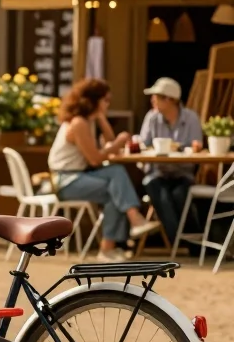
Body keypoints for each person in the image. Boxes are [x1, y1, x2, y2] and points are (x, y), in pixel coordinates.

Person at [49, 78, 160, 261]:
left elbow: (109, 141)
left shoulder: (89, 121)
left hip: (79, 175)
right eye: (105, 100)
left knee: (115, 187)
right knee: (115, 179)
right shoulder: (78, 123)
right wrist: (118, 142)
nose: (108, 104)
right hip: (66, 180)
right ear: (94, 100)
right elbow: (95, 159)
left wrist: (101, 117)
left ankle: (109, 248)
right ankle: (132, 221)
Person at [138, 77, 204, 247]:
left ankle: (193, 243)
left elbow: (196, 146)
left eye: (157, 96)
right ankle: (178, 243)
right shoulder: (151, 118)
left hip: (182, 173)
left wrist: (190, 148)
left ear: (170, 99)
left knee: (179, 195)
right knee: (156, 189)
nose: (152, 100)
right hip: (157, 172)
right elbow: (143, 145)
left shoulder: (191, 118)